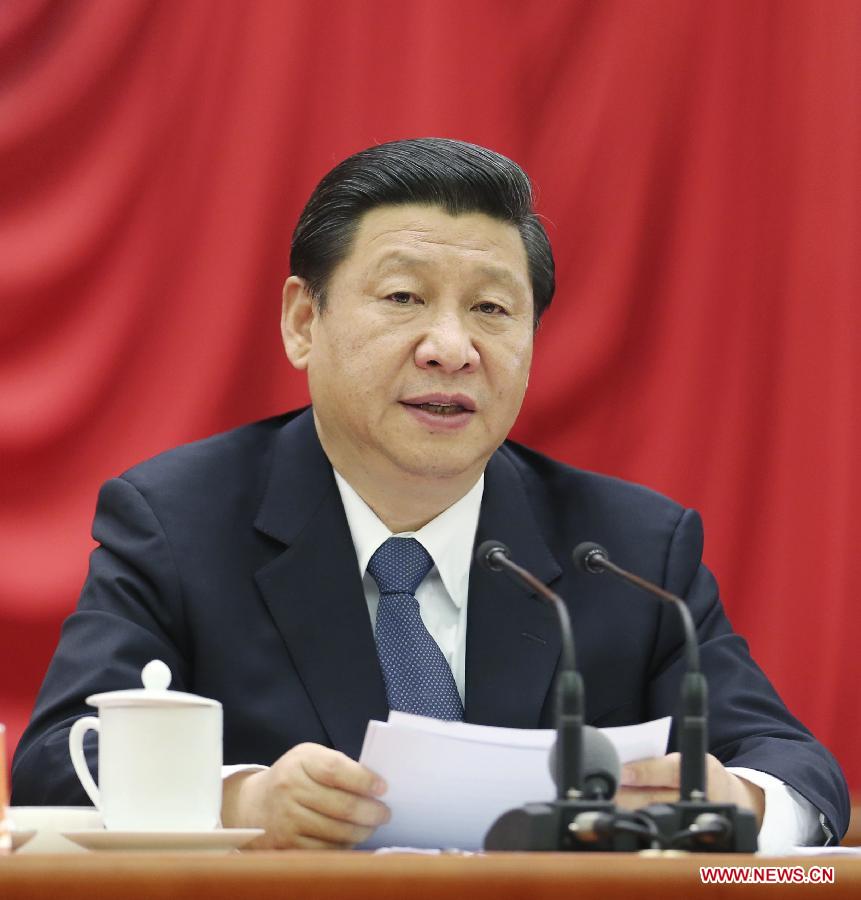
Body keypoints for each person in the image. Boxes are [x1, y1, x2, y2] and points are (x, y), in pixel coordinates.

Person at [12, 138, 849, 850]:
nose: (451, 349)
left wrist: (738, 804)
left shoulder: (627, 549)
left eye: (491, 309)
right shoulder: (178, 522)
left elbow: (796, 772)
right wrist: (238, 802)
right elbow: (54, 759)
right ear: (304, 322)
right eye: (404, 298)